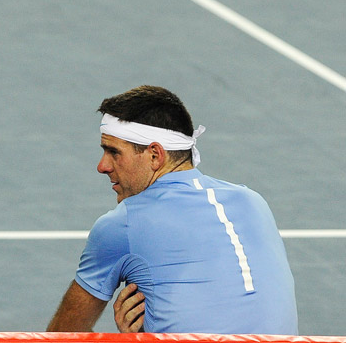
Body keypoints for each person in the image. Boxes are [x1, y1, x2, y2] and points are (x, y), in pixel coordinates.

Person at [46, 85, 297, 335]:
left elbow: (61, 337)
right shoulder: (253, 200)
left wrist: (133, 341)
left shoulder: (124, 223)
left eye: (114, 152)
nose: (102, 166)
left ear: (155, 155)